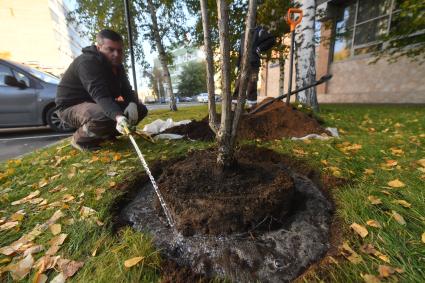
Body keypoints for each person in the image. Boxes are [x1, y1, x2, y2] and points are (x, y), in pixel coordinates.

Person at [56, 29, 147, 152]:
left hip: (96, 103)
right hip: (71, 106)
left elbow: (127, 90)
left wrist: (132, 103)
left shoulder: (118, 66)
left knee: (140, 110)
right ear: (99, 48)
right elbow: (100, 95)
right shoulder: (87, 62)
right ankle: (81, 139)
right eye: (111, 50)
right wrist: (119, 117)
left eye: (119, 50)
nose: (116, 54)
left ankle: (106, 135)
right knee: (105, 114)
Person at [233, 26, 275, 108]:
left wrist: (260, 48)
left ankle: (251, 106)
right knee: (239, 83)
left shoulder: (259, 31)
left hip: (254, 64)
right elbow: (240, 51)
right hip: (243, 64)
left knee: (252, 84)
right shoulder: (243, 34)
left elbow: (272, 39)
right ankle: (234, 104)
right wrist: (237, 65)